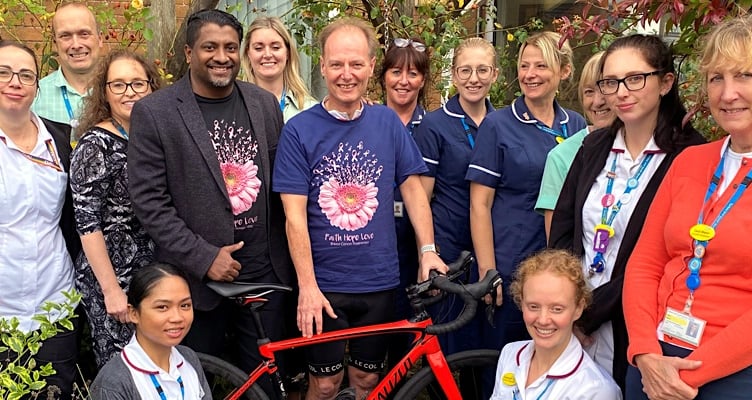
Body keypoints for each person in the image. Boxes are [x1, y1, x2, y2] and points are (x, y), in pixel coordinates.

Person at [272, 17, 446, 400]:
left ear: (371, 66)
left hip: (379, 284)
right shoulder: (299, 130)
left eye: (355, 64)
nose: (346, 74)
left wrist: (428, 251)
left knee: (368, 381)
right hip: (325, 286)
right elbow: (294, 217)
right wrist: (307, 287)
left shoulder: (387, 123)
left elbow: (415, 192)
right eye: (336, 64)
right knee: (324, 384)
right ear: (321, 67)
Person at [128, 8, 293, 391]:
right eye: (210, 47)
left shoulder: (263, 104)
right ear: (188, 53)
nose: (222, 56)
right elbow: (149, 201)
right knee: (194, 387)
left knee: (265, 386)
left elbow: (281, 185)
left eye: (230, 47)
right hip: (196, 286)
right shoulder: (155, 112)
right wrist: (204, 258)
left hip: (264, 275)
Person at [549, 34, 705, 392]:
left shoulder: (690, 156)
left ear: (665, 82)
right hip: (575, 316)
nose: (620, 91)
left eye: (635, 78)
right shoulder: (593, 147)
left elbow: (662, 257)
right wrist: (564, 304)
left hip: (636, 324)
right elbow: (563, 227)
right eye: (610, 81)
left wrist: (590, 315)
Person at [623, 15, 752, 400]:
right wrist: (644, 351)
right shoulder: (690, 161)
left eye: (744, 75)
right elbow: (645, 262)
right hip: (654, 361)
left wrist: (688, 377)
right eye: (716, 78)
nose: (728, 94)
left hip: (733, 374)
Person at [466, 31, 586, 354]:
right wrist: (488, 272)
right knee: (504, 363)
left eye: (541, 66)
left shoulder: (576, 125)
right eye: (524, 66)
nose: (530, 74)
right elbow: (479, 203)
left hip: (560, 272)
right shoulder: (498, 125)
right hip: (511, 268)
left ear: (563, 71)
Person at [70, 49, 162, 368]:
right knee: (123, 369)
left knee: (155, 367)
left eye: (138, 83)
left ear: (151, 87)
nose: (129, 92)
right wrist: (111, 291)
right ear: (105, 93)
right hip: (112, 275)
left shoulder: (154, 137)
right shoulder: (95, 146)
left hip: (152, 271)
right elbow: (87, 223)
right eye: (118, 85)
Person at [0, 40, 81, 400]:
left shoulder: (60, 139)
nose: (14, 82)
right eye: (3, 72)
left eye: (25, 75)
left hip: (55, 303)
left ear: (37, 85)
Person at [413, 37, 497, 354]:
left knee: (486, 341)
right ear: (454, 74)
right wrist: (427, 252)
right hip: (449, 250)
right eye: (465, 70)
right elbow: (421, 197)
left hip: (490, 246)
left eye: (482, 70)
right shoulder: (435, 125)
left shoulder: (502, 123)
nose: (473, 78)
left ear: (495, 75)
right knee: (449, 346)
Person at [490, 249, 622, 399]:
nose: (543, 320)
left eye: (557, 309)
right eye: (533, 306)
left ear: (578, 308)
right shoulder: (510, 354)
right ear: (521, 301)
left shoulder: (595, 390)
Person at [379, 35, 429, 366]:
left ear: (423, 80)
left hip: (416, 243)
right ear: (383, 75)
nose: (404, 81)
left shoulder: (434, 127)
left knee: (407, 333)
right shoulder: (367, 121)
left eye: (413, 73)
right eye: (396, 71)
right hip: (377, 242)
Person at [90, 263, 211, 399]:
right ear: (133, 313)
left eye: (185, 305)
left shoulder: (188, 358)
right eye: (162, 307)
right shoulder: (115, 383)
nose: (177, 317)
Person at [535, 51, 615, 240]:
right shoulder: (561, 157)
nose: (597, 101)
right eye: (589, 92)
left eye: (606, 89)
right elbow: (557, 244)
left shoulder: (645, 149)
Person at [33, 2, 103, 134]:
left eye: (84, 34)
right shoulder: (35, 96)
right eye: (65, 36)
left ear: (100, 39)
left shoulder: (121, 93)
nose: (76, 45)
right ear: (55, 43)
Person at [241, 16, 317, 122]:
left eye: (275, 47)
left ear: (288, 53)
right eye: (259, 48)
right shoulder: (235, 107)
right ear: (248, 53)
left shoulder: (310, 111)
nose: (267, 54)